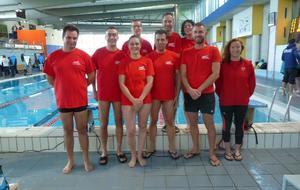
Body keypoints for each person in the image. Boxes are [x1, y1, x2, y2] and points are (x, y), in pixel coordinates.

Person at [43, 24, 95, 174]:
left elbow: (91, 76)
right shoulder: (53, 57)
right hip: (63, 102)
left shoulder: (84, 56)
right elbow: (50, 79)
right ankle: (70, 160)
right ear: (63, 37)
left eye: (74, 38)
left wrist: (80, 86)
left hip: (80, 101)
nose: (72, 41)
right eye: (69, 37)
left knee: (82, 131)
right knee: (67, 131)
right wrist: (62, 88)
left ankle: (86, 160)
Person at [180, 22, 221, 166]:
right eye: (196, 32)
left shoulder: (213, 50)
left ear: (205, 33)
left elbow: (215, 74)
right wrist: (190, 89)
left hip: (207, 94)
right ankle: (195, 148)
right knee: (192, 124)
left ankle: (211, 153)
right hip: (190, 94)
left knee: (209, 124)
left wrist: (200, 89)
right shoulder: (186, 52)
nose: (198, 34)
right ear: (192, 34)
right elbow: (183, 75)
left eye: (200, 32)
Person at [215, 38, 256, 161]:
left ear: (241, 49)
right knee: (226, 126)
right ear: (229, 49)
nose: (235, 49)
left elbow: (252, 84)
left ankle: (237, 150)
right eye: (232, 47)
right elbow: (218, 84)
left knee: (240, 126)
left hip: (242, 102)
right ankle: (227, 150)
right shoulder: (223, 65)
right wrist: (223, 95)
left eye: (237, 47)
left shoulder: (248, 65)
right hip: (226, 101)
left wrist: (244, 96)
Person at [92, 26, 127, 165]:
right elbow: (92, 72)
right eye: (109, 35)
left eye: (114, 35)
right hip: (103, 94)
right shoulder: (98, 53)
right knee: (103, 123)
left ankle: (119, 150)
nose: (112, 37)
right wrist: (94, 90)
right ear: (106, 37)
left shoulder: (122, 54)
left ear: (117, 37)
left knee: (119, 122)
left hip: (118, 94)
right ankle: (104, 151)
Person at [119, 35, 154, 168]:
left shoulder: (147, 61)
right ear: (128, 46)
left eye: (136, 44)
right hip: (128, 100)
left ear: (140, 46)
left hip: (145, 99)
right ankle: (133, 155)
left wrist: (140, 98)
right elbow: (121, 83)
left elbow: (150, 82)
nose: (134, 46)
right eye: (132, 44)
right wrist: (133, 99)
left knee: (143, 127)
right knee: (130, 130)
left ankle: (139, 155)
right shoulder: (124, 62)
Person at [144, 29, 180, 159]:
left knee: (170, 122)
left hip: (169, 96)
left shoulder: (174, 56)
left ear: (167, 41)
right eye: (157, 39)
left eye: (162, 39)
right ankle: (151, 147)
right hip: (153, 96)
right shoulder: (148, 57)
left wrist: (177, 95)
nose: (160, 42)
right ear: (155, 41)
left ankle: (172, 148)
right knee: (153, 121)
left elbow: (178, 78)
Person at [161, 12, 182, 133]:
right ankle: (165, 123)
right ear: (162, 23)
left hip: (173, 73)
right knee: (163, 99)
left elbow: (178, 56)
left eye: (170, 21)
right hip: (162, 74)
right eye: (165, 21)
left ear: (173, 23)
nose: (168, 24)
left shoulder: (176, 37)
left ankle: (171, 123)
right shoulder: (159, 37)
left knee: (174, 99)